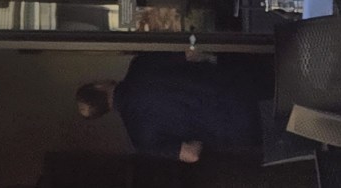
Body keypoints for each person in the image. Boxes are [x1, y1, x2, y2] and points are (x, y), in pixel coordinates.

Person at [78, 50, 267, 162]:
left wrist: (204, 129)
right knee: (282, 82)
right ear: (99, 85)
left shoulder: (139, 137)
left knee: (285, 126)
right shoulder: (140, 66)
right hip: (237, 85)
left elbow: (191, 155)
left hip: (236, 129)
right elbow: (191, 53)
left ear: (103, 112)